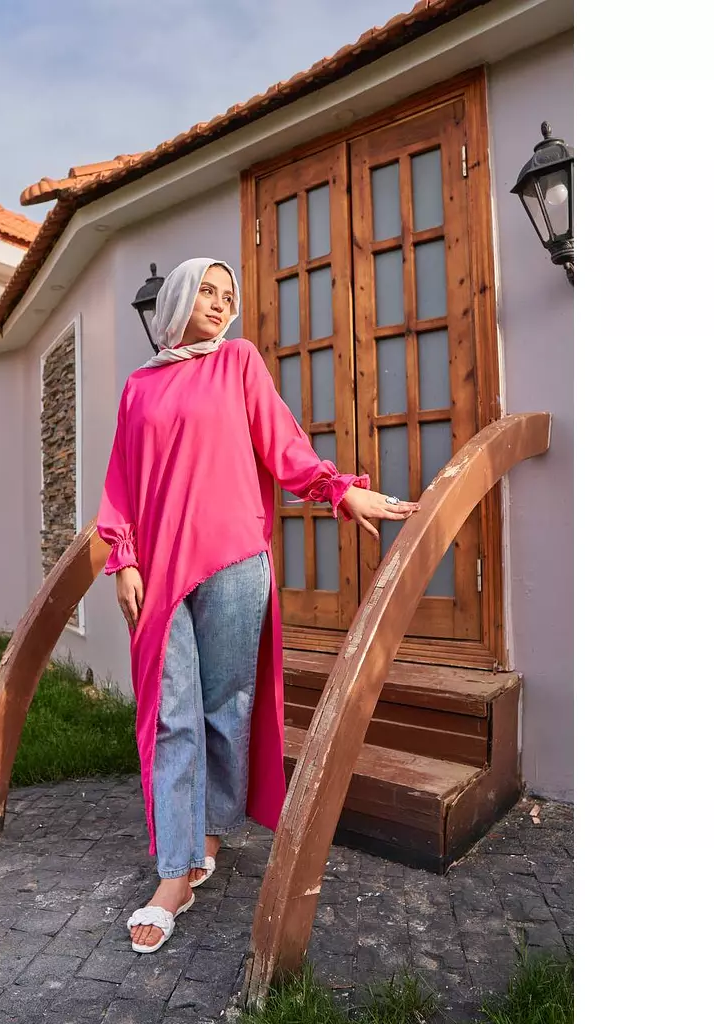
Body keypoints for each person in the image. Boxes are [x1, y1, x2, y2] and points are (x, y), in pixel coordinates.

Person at [96, 257, 419, 953]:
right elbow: (120, 480)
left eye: (228, 295)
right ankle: (174, 874)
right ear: (178, 299)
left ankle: (207, 836)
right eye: (206, 291)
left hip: (234, 564)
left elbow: (283, 445)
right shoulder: (138, 388)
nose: (218, 303)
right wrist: (121, 557)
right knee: (172, 714)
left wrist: (339, 490)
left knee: (224, 710)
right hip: (159, 573)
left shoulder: (237, 362)